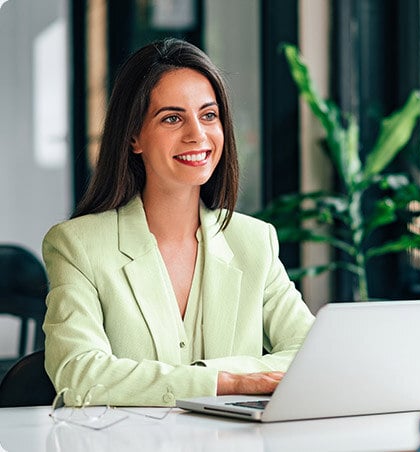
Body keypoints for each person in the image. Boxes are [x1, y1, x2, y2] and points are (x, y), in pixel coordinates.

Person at [42, 38, 314, 407]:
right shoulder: (77, 246)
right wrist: (226, 382)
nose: (197, 135)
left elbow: (311, 354)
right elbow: (79, 376)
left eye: (209, 115)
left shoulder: (255, 241)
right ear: (134, 136)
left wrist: (201, 377)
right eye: (172, 118)